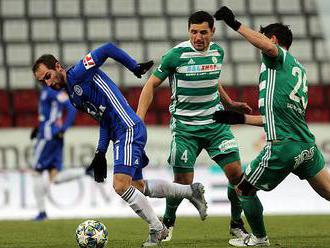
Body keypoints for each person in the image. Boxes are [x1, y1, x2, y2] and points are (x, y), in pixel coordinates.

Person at [32, 42, 207, 247]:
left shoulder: (79, 72)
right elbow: (104, 120)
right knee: (137, 186)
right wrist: (100, 152)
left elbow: (107, 48)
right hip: (120, 132)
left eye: (47, 76)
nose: (48, 83)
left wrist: (134, 67)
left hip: (128, 128)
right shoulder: (73, 97)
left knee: (121, 185)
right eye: (43, 82)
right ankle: (191, 191)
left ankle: (157, 229)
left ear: (58, 66)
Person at [213, 6, 330, 247]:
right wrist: (240, 119)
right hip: (305, 144)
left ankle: (259, 238)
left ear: (274, 40)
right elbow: (277, 118)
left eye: (266, 38)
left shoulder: (277, 58)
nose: (263, 46)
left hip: (283, 146)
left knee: (242, 189)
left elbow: (266, 46)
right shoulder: (296, 69)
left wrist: (234, 24)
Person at [137, 10, 253, 241]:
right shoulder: (176, 55)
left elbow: (212, 79)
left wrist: (229, 103)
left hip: (216, 124)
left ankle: (236, 224)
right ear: (188, 31)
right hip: (185, 129)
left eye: (203, 32)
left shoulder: (218, 52)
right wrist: (139, 118)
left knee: (237, 174)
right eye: (193, 32)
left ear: (213, 32)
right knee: (183, 182)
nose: (198, 37)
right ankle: (167, 223)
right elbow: (150, 85)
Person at [30, 85, 89, 221]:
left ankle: (42, 212)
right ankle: (85, 171)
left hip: (48, 138)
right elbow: (49, 115)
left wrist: (63, 128)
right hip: (53, 137)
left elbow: (71, 107)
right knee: (55, 177)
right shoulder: (49, 92)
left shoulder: (51, 91)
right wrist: (39, 128)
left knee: (36, 172)